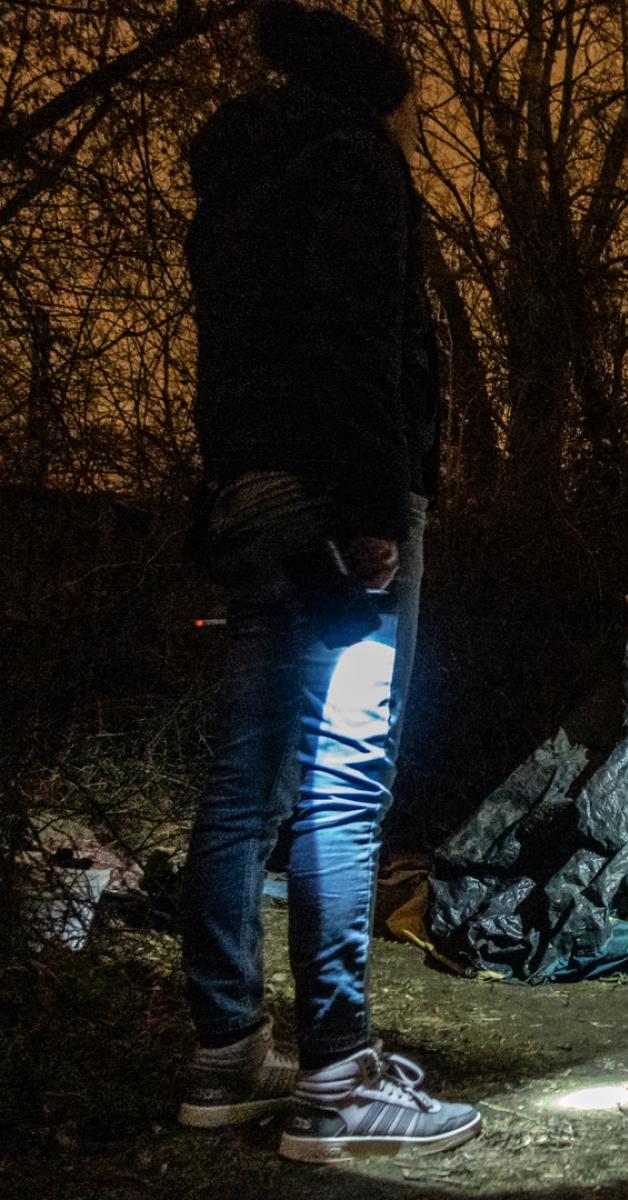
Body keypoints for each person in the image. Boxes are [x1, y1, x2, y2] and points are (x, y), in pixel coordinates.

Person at [177, 2, 479, 1161]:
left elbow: (241, 359)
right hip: (339, 507)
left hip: (248, 496)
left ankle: (224, 1057)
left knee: (244, 780)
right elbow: (353, 336)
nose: (418, 135)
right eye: (417, 115)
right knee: (348, 782)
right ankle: (341, 1079)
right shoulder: (353, 164)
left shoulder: (235, 186)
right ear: (382, 99)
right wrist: (367, 512)